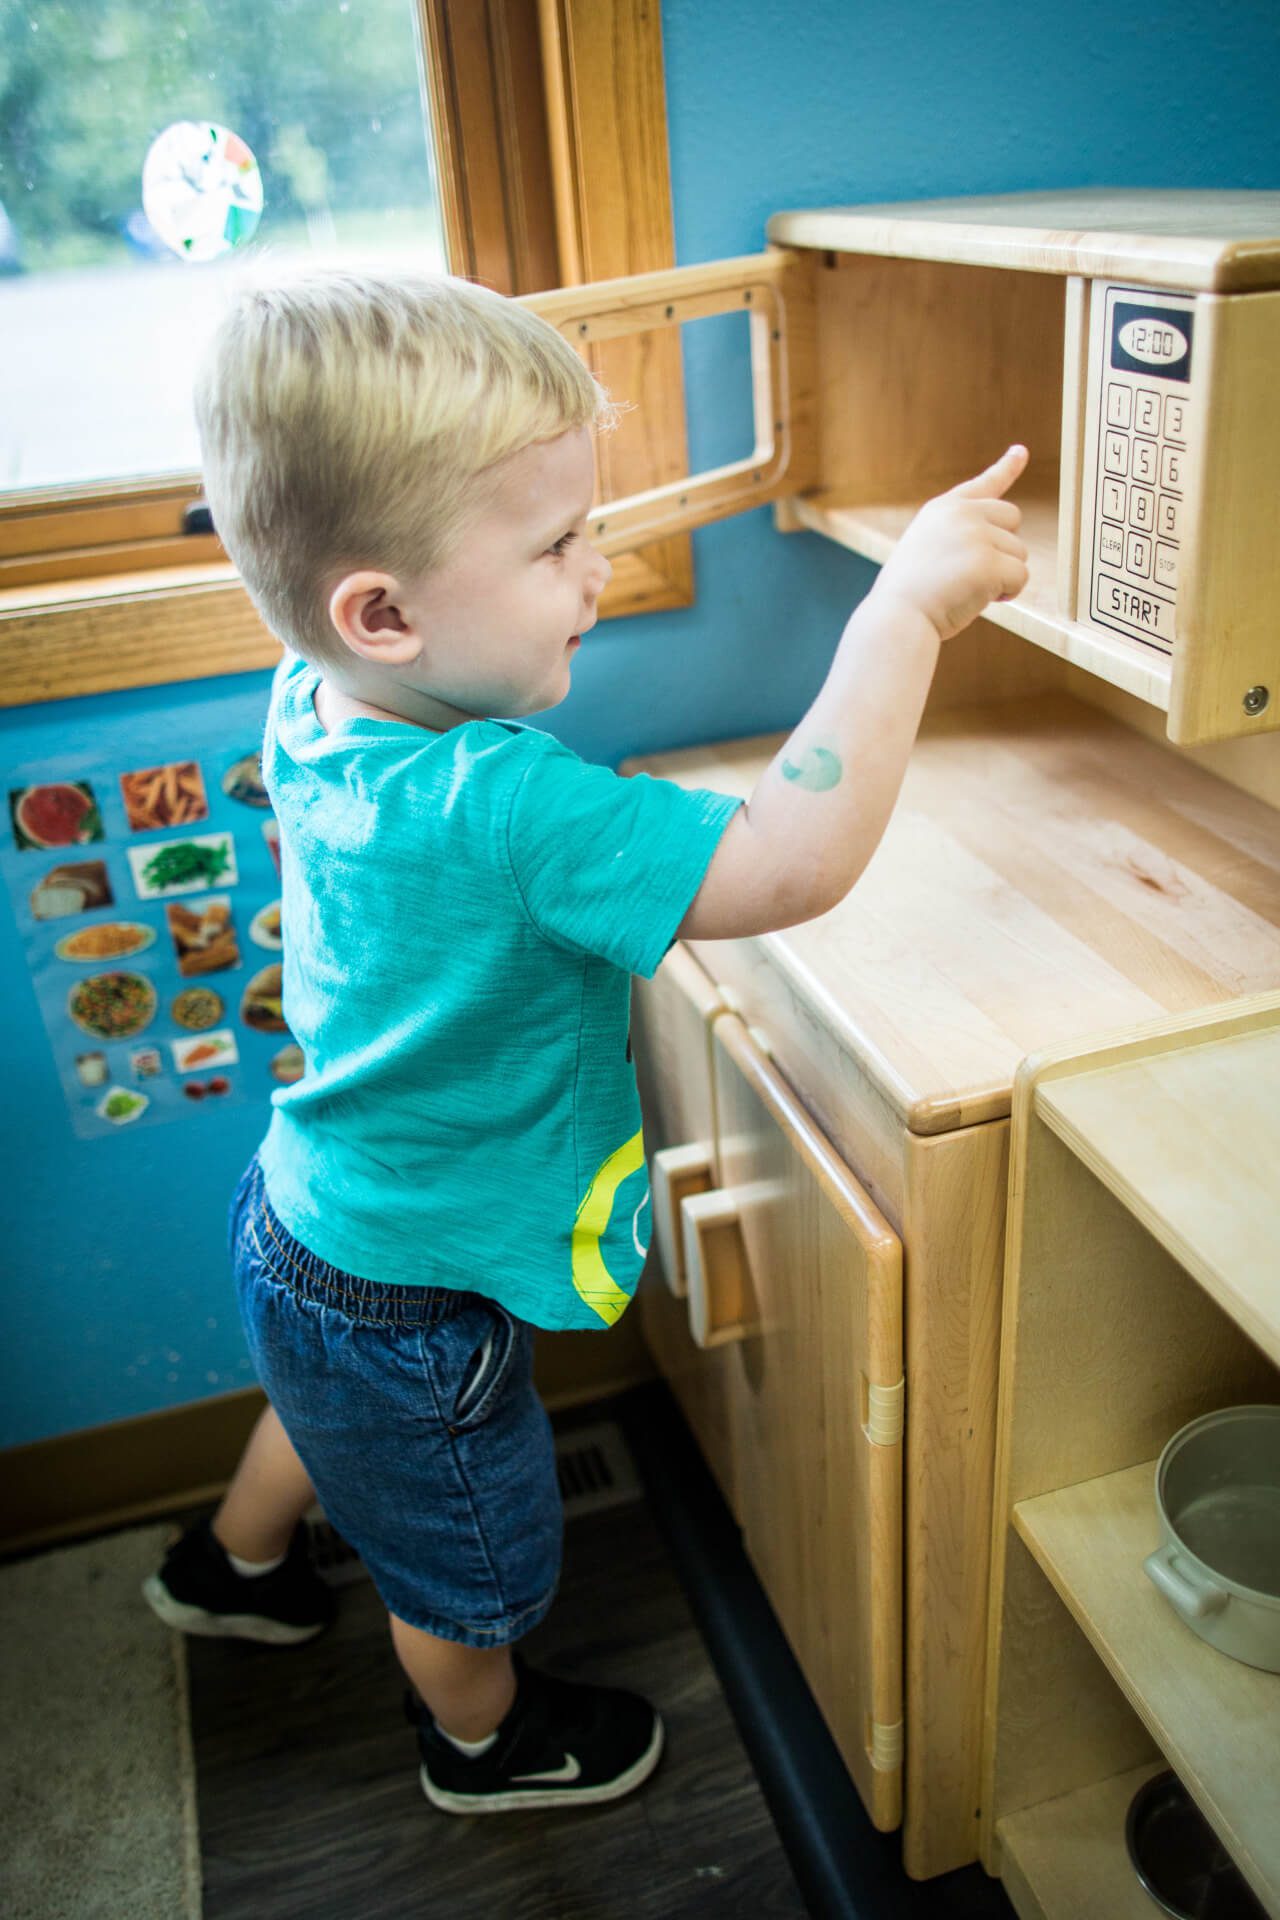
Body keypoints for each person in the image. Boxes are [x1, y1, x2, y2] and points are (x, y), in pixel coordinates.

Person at [143, 261, 1028, 1816]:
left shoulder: (312, 699)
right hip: (417, 1295)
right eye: (558, 543)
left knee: (326, 1412)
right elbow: (786, 863)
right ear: (385, 610)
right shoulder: (504, 804)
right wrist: (904, 613)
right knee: (457, 1563)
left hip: (306, 1221)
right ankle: (481, 1742)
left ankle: (234, 1562)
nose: (600, 569)